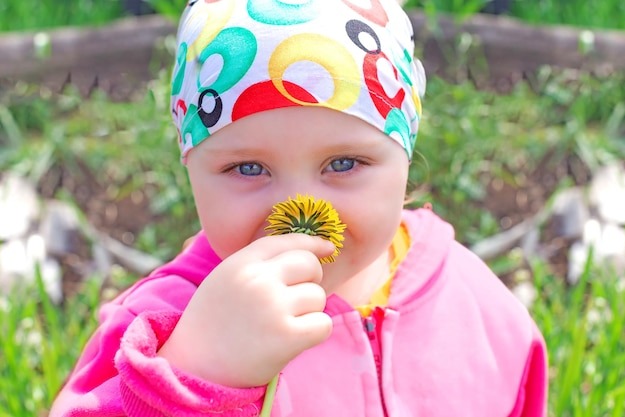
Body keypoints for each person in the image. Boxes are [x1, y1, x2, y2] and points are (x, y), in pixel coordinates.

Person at [50, 0, 548, 415]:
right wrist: (190, 375)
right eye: (248, 168)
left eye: (344, 162)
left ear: (405, 154)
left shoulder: (473, 301)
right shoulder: (162, 325)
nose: (298, 205)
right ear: (190, 166)